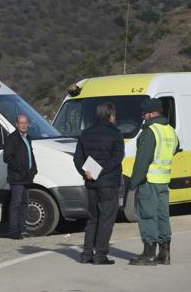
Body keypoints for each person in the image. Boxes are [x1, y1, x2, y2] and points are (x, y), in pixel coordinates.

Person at [73, 102, 125, 265]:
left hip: (90, 183)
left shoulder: (85, 133)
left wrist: (87, 172)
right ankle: (100, 255)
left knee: (92, 218)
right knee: (106, 219)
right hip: (108, 183)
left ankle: (86, 253)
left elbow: (77, 159)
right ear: (111, 115)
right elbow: (117, 158)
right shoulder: (116, 133)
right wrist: (99, 171)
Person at [128, 98, 178, 266]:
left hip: (149, 181)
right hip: (164, 181)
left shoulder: (150, 132)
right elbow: (176, 148)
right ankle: (165, 254)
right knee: (163, 216)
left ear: (150, 114)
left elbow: (142, 161)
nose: (143, 117)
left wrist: (133, 182)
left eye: (144, 114)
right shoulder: (170, 130)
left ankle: (149, 254)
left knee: (148, 216)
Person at [4, 114, 38, 240]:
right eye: (21, 123)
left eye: (25, 123)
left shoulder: (28, 138)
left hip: (27, 178)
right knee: (16, 204)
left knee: (24, 203)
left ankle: (23, 229)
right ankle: (13, 230)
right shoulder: (12, 138)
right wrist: (21, 170)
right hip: (17, 178)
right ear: (16, 124)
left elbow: (30, 154)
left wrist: (34, 169)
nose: (24, 125)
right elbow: (7, 157)